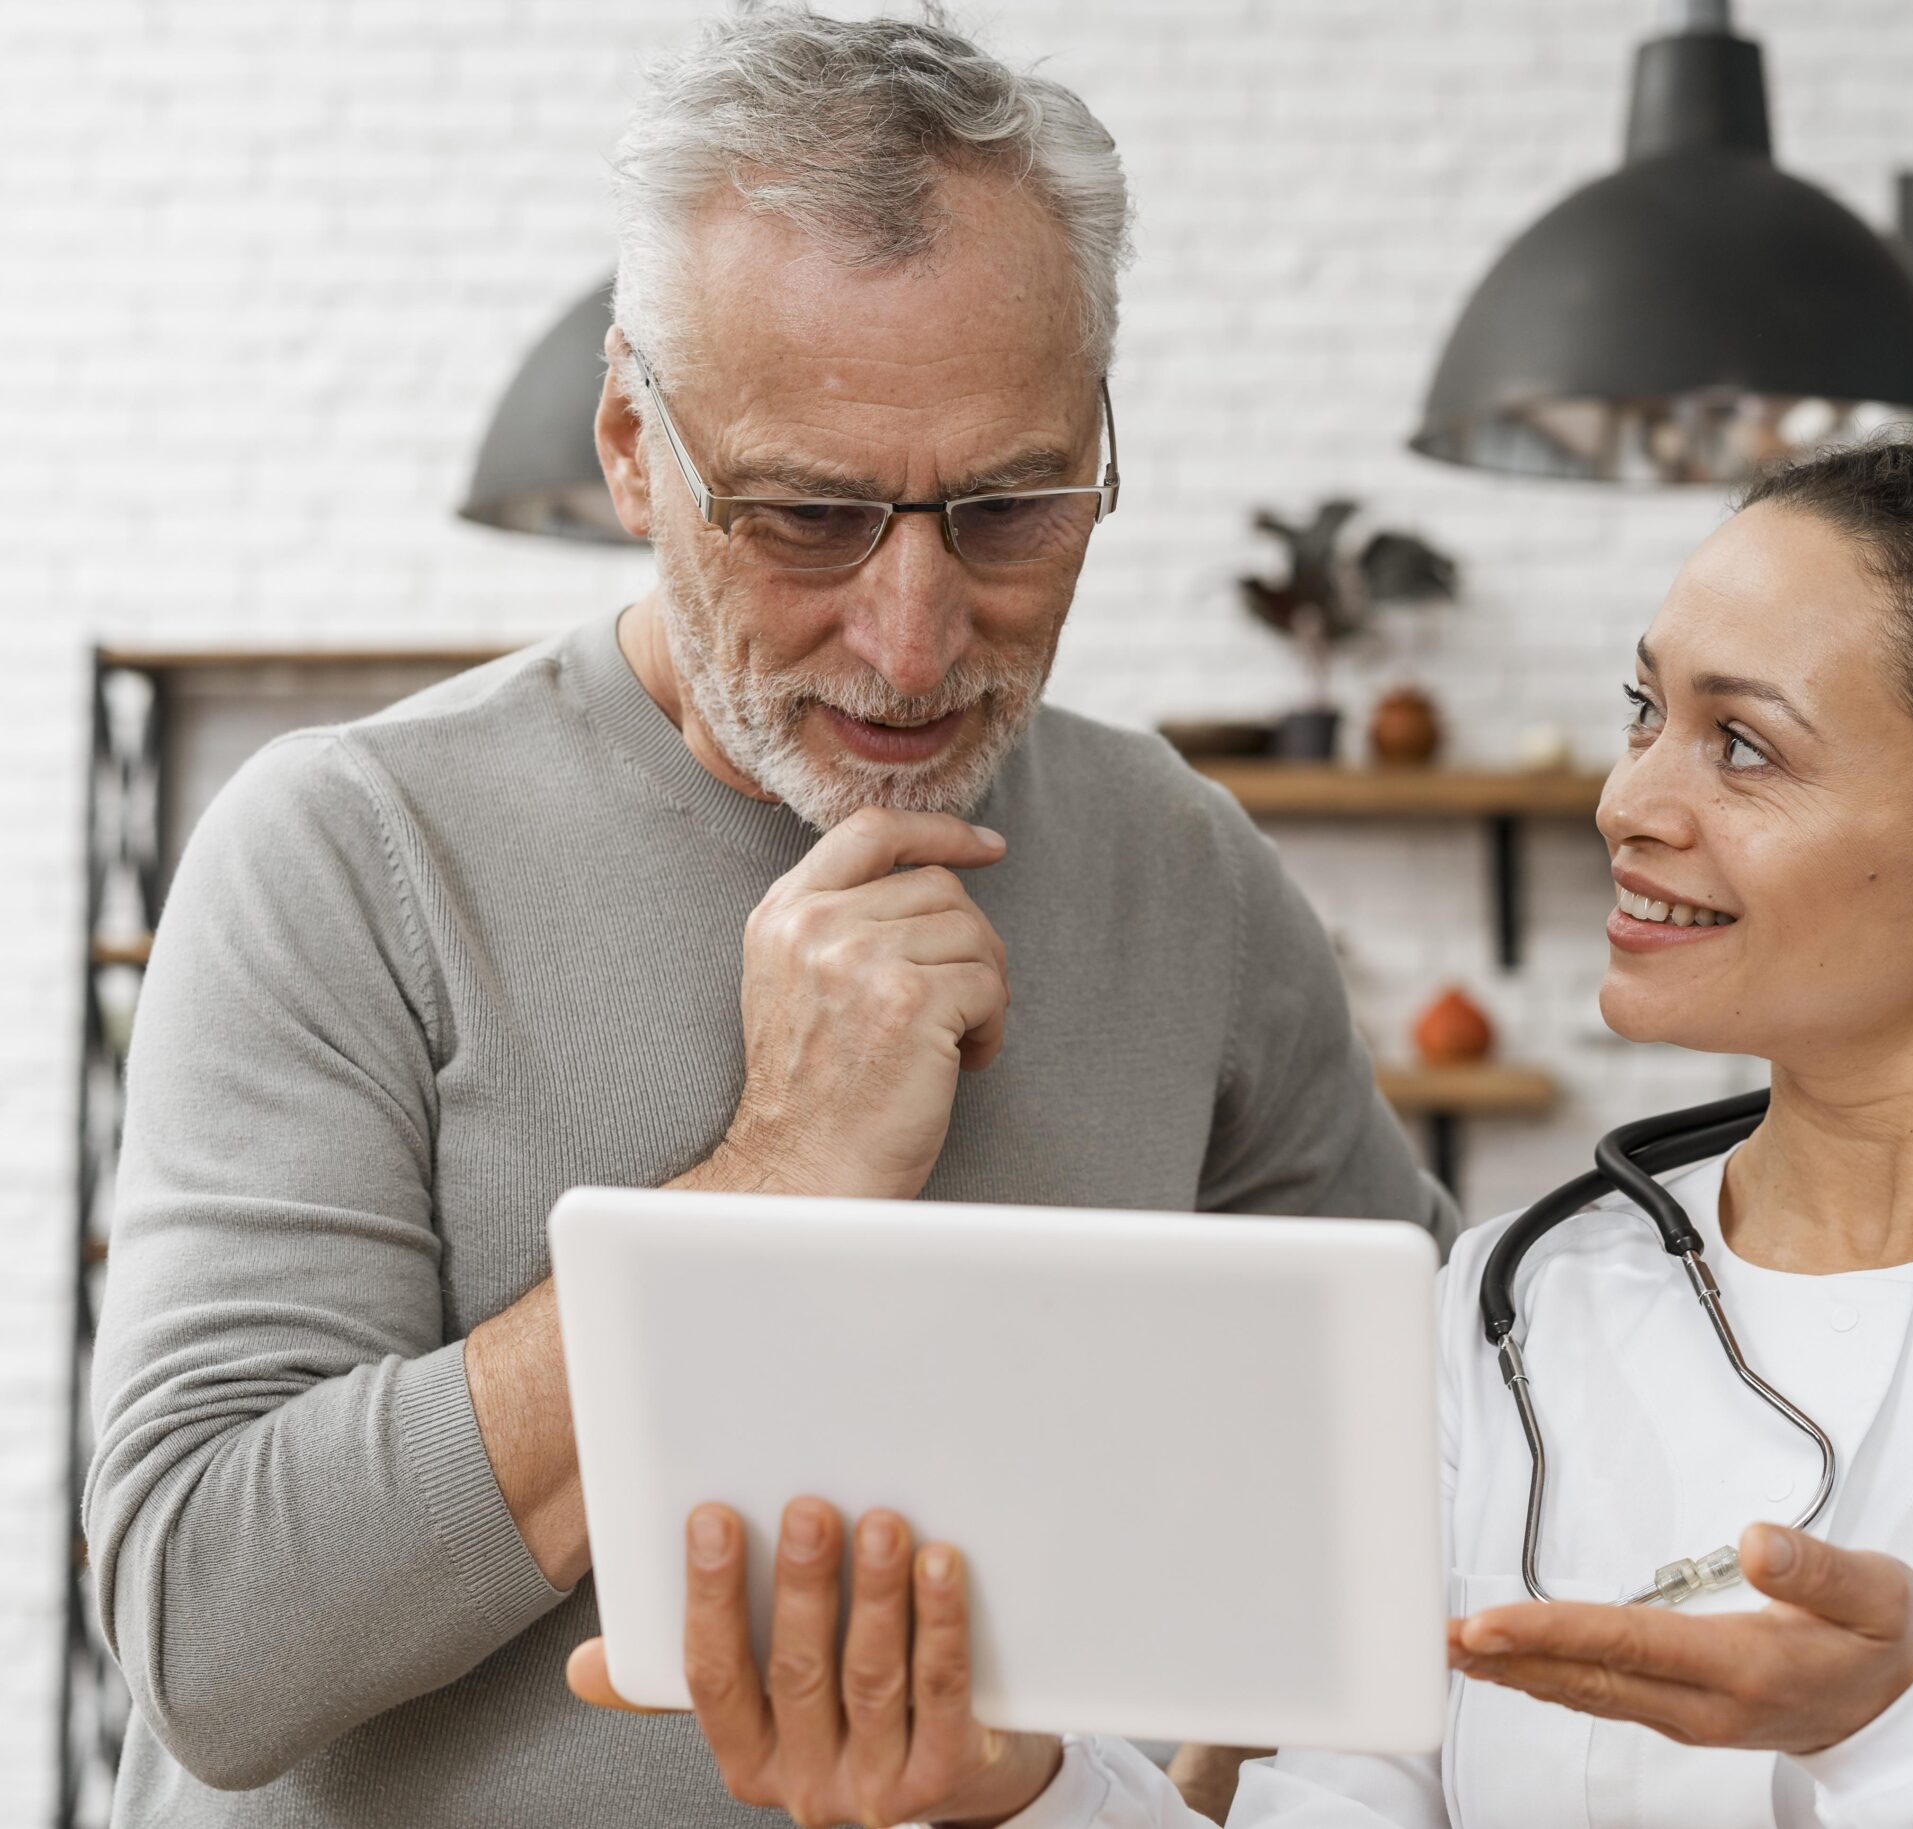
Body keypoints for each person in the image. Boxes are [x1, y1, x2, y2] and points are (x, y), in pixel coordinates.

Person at [590, 437, 1913, 1827]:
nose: (1628, 801)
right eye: (1641, 713)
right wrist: (1015, 1785)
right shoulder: (1509, 1309)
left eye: (1740, 745)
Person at [82, 10, 1450, 1826]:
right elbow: (211, 1637)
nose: (913, 638)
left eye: (1011, 508)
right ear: (632, 445)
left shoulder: (1182, 865)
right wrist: (776, 1178)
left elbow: (1434, 1459)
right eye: (806, 515)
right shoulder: (346, 851)